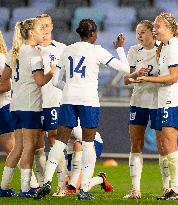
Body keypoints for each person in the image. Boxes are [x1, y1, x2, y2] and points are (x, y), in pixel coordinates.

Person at [34, 18, 129, 200]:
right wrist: (119, 48)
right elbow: (125, 68)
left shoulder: (67, 49)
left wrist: (69, 88)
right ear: (93, 34)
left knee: (60, 141)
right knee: (88, 145)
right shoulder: (97, 50)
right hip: (89, 100)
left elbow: (55, 81)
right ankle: (84, 189)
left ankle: (46, 181)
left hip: (68, 99)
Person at [129, 12, 178, 200]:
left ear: (171, 29)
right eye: (155, 27)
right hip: (167, 99)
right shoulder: (166, 47)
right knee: (167, 145)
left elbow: (174, 77)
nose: (155, 30)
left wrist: (147, 78)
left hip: (172, 100)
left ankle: (174, 190)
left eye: (158, 27)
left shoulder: (174, 46)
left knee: (168, 143)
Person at [0, 18, 55, 197]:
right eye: (40, 29)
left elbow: (3, 78)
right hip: (30, 105)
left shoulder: (14, 52)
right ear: (31, 32)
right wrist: (52, 71)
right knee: (30, 147)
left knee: (17, 147)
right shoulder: (34, 54)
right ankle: (25, 189)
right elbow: (39, 81)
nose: (43, 32)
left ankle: (4, 187)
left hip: (15, 106)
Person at [123, 20, 159, 199]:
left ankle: (169, 188)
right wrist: (135, 75)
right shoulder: (133, 51)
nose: (139, 36)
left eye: (143, 32)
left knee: (164, 145)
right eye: (137, 32)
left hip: (159, 102)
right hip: (138, 101)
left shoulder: (163, 49)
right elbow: (126, 79)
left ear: (153, 33)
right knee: (136, 144)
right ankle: (135, 189)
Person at [33, 13, 67, 189]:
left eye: (47, 25)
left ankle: (62, 183)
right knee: (37, 143)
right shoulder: (30, 49)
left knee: (55, 138)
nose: (44, 30)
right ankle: (41, 183)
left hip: (55, 100)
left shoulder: (62, 49)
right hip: (35, 102)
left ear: (52, 26)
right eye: (41, 26)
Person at [53, 124, 113, 196]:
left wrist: (85, 169)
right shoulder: (53, 127)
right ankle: (100, 179)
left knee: (76, 188)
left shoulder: (75, 127)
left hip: (93, 144)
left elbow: (89, 146)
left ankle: (79, 184)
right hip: (73, 153)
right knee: (71, 186)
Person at [0, 30, 15, 155]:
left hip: (3, 107)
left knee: (10, 148)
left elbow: (6, 85)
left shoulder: (0, 59)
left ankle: (29, 175)